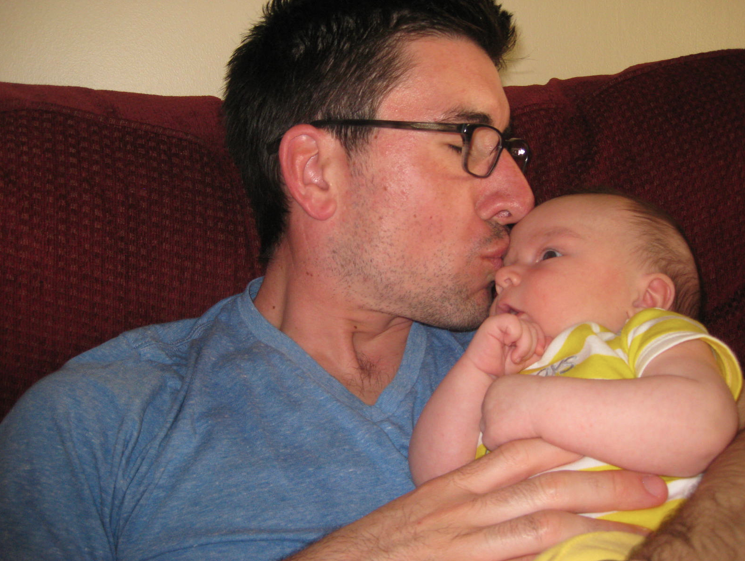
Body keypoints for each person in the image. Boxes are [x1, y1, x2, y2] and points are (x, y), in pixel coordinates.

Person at [0, 1, 743, 559]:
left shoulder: (556, 341)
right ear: (315, 172)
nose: (518, 198)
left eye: (508, 147)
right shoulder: (96, 423)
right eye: (466, 139)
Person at [409, 191, 742, 559]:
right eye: (506, 264)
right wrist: (477, 369)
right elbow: (437, 482)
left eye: (549, 255)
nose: (503, 276)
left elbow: (701, 423)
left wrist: (535, 407)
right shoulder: (507, 368)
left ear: (647, 297)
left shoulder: (645, 334)